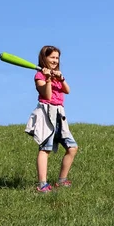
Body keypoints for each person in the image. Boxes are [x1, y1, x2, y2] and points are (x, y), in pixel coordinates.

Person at [25, 46, 79, 192]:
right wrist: (48, 79)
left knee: (72, 148)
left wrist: (61, 78)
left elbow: (67, 90)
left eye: (57, 58)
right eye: (52, 57)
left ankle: (62, 180)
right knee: (45, 148)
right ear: (44, 58)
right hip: (46, 113)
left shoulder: (56, 75)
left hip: (60, 114)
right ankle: (42, 184)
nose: (55, 60)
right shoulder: (39, 76)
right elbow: (47, 96)